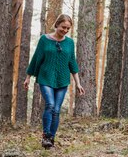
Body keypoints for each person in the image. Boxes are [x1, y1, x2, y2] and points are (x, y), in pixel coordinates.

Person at [23, 14, 85, 149]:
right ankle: (45, 136)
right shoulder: (44, 40)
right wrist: (28, 77)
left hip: (62, 80)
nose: (65, 30)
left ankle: (51, 138)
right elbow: (36, 59)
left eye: (68, 28)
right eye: (63, 27)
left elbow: (72, 63)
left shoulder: (69, 43)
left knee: (56, 110)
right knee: (50, 105)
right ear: (57, 25)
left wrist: (78, 83)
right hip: (46, 77)